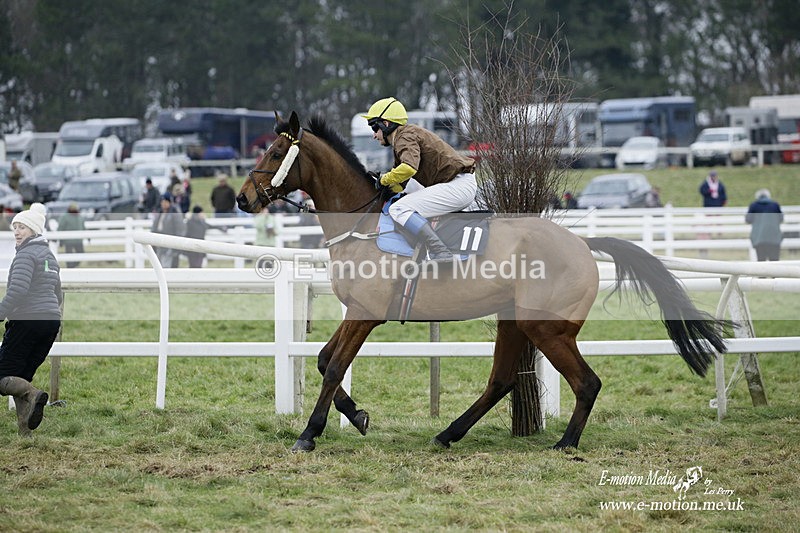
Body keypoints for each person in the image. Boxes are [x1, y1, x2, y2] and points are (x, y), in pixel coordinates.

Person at [363, 97, 476, 263]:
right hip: (457, 184)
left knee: (399, 209)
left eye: (374, 127)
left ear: (386, 124)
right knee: (399, 204)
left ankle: (439, 251)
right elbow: (400, 183)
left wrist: (384, 179)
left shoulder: (405, 136)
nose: (374, 135)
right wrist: (383, 188)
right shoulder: (402, 140)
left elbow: (409, 168)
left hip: (457, 185)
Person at [0, 203, 62, 437]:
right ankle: (25, 433)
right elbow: (58, 294)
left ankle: (35, 395)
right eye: (15, 227)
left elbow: (18, 291)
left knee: (2, 376)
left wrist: (2, 312)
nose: (16, 232)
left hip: (28, 320)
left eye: (22, 227)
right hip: (50, 322)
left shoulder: (26, 255)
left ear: (34, 231)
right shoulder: (49, 257)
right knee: (20, 377)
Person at [746, 188, 783, 261]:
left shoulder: (754, 206)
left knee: (761, 262)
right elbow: (781, 219)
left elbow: (748, 219)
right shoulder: (775, 205)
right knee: (775, 263)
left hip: (759, 238)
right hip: (774, 238)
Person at [151, 194, 185, 268]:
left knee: (168, 266)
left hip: (170, 244)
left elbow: (180, 230)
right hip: (159, 244)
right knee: (159, 266)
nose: (163, 204)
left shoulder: (174, 214)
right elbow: (155, 228)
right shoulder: (160, 213)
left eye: (165, 202)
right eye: (162, 202)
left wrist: (177, 245)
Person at [56, 203, 85, 268]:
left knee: (80, 254)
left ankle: (72, 266)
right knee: (69, 256)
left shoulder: (80, 217)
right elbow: (61, 228)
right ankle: (70, 268)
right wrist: (60, 240)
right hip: (68, 241)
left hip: (78, 241)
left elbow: (83, 227)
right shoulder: (65, 217)